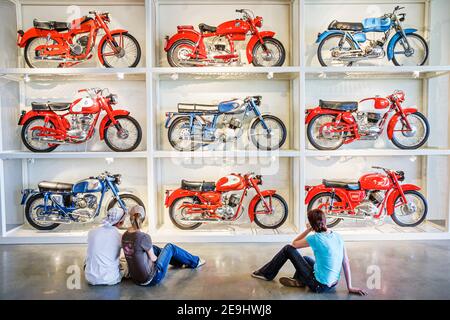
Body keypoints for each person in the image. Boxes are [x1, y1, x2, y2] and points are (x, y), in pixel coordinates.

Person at [252, 209, 367, 295]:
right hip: (333, 282)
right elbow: (345, 262)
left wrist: (308, 230)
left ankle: (267, 274)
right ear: (325, 221)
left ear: (312, 225)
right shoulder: (338, 236)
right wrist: (350, 287)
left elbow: (293, 244)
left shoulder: (315, 238)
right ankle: (299, 280)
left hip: (318, 286)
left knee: (287, 249)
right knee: (306, 259)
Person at [122, 205, 205, 286]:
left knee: (153, 248)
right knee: (170, 247)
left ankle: (181, 263)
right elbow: (153, 259)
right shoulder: (143, 237)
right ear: (143, 219)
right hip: (152, 278)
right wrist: (160, 258)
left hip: (136, 279)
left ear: (130, 219)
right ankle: (195, 261)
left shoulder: (125, 235)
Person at [85, 207, 128, 285]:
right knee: (125, 265)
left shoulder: (92, 232)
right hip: (110, 279)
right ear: (120, 223)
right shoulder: (120, 237)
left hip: (90, 278)